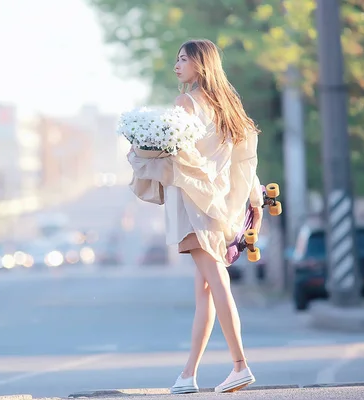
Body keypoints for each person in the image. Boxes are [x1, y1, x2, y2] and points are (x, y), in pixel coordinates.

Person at [127, 39, 265, 393]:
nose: (177, 66)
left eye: (183, 59)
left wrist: (146, 150)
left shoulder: (184, 103)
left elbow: (183, 160)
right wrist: (254, 202)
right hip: (218, 205)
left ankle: (239, 365)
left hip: (193, 207)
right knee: (204, 291)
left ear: (200, 65)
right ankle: (188, 374)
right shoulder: (229, 107)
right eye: (176, 59)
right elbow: (244, 163)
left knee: (216, 283)